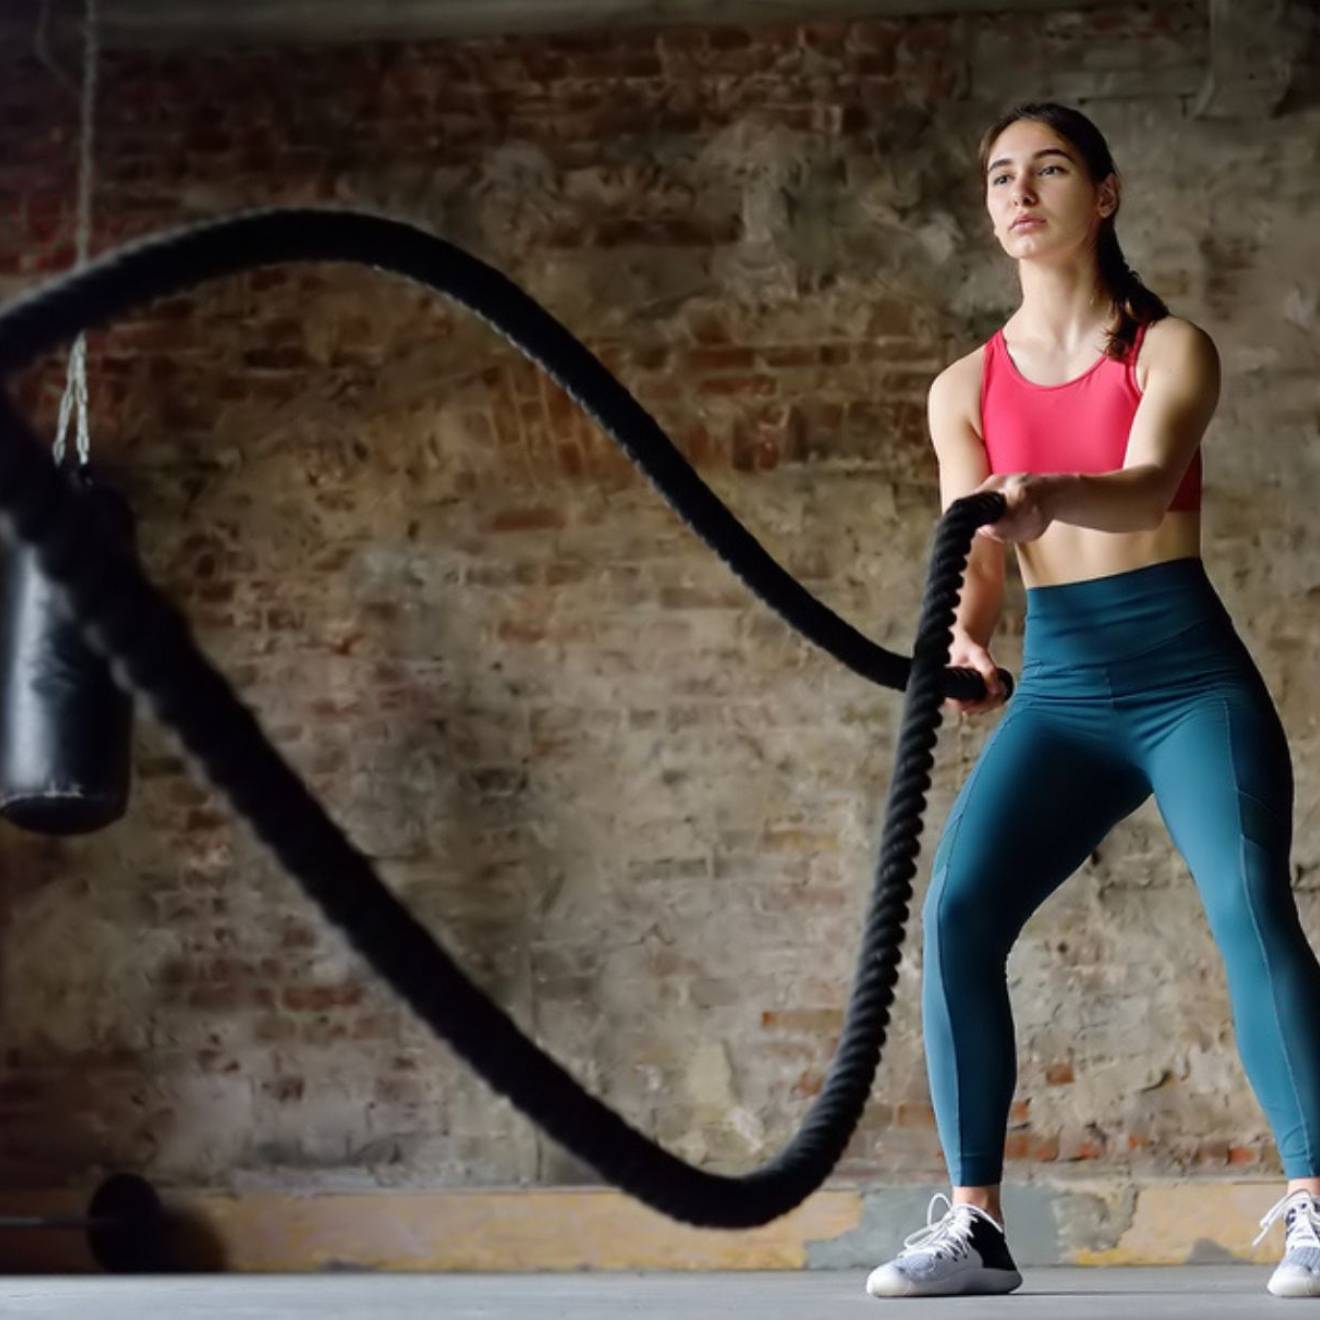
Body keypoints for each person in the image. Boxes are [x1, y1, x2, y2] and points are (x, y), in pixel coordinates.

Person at [865, 100, 1320, 1301]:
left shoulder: (1168, 349)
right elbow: (977, 546)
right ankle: (976, 1228)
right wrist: (964, 631)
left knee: (1247, 908)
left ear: (1103, 194)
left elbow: (1146, 486)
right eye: (1001, 176)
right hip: (1063, 691)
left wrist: (1045, 492)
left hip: (1184, 679)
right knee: (958, 913)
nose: (1020, 192)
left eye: (1050, 169)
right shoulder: (962, 385)